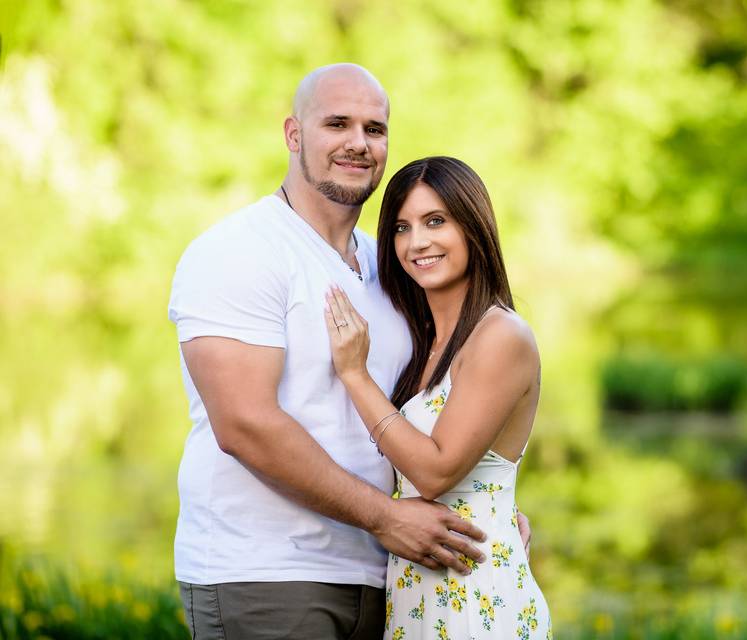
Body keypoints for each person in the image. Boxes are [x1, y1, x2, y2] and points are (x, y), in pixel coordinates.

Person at [168, 65, 523, 639]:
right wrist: (385, 518)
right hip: (269, 574)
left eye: (375, 129)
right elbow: (244, 425)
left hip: (390, 576)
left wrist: (485, 511)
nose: (359, 143)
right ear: (294, 134)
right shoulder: (238, 252)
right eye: (337, 124)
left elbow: (438, 414)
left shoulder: (394, 266)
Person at [325, 156, 552, 639]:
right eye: (402, 228)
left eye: (436, 221)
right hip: (418, 589)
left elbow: (433, 471)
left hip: (474, 592)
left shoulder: (500, 335)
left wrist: (354, 375)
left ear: (473, 226)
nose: (417, 242)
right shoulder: (424, 342)